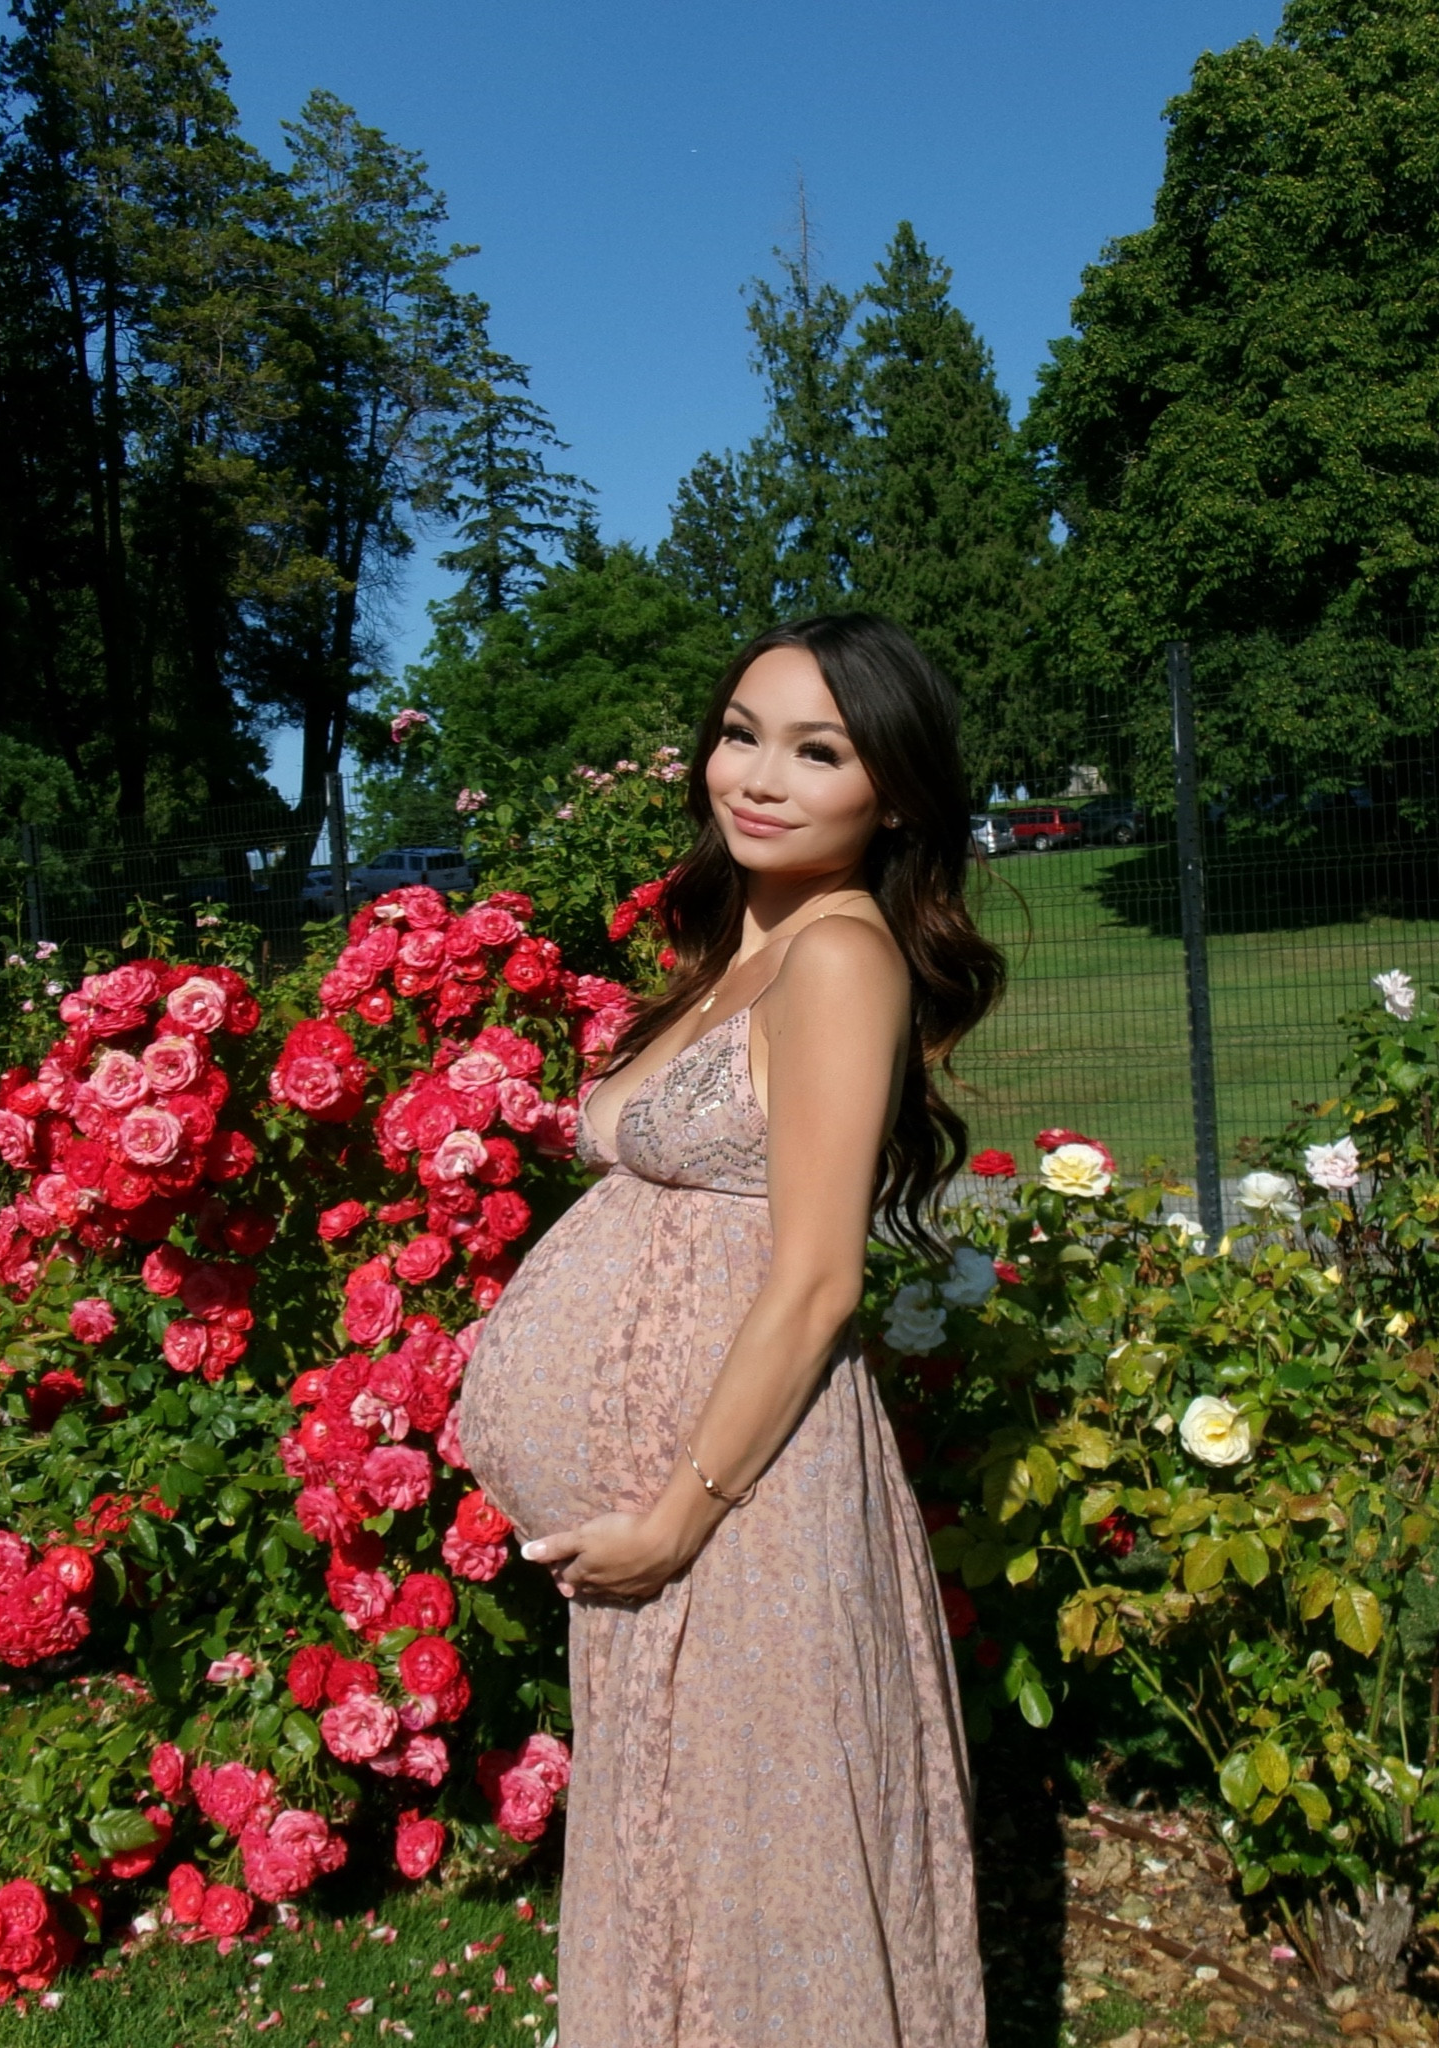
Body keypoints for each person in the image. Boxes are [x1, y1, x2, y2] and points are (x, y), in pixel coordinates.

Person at [458, 612, 1004, 2047]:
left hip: (739, 1500)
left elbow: (819, 1279)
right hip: (675, 1508)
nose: (758, 776)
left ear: (891, 793)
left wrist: (675, 1517)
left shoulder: (839, 956)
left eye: (817, 752)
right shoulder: (744, 943)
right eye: (741, 733)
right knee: (688, 1872)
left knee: (771, 1885)